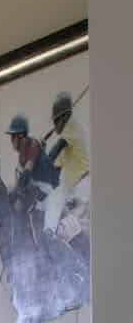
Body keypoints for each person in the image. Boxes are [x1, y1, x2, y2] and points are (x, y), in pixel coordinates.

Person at [44, 90, 90, 236]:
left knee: (55, 201)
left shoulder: (71, 126)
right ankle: (50, 233)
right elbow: (54, 168)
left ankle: (49, 234)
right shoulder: (67, 137)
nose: (54, 125)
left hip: (83, 186)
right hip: (73, 188)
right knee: (52, 197)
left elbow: (55, 151)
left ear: (64, 117)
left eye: (56, 120)